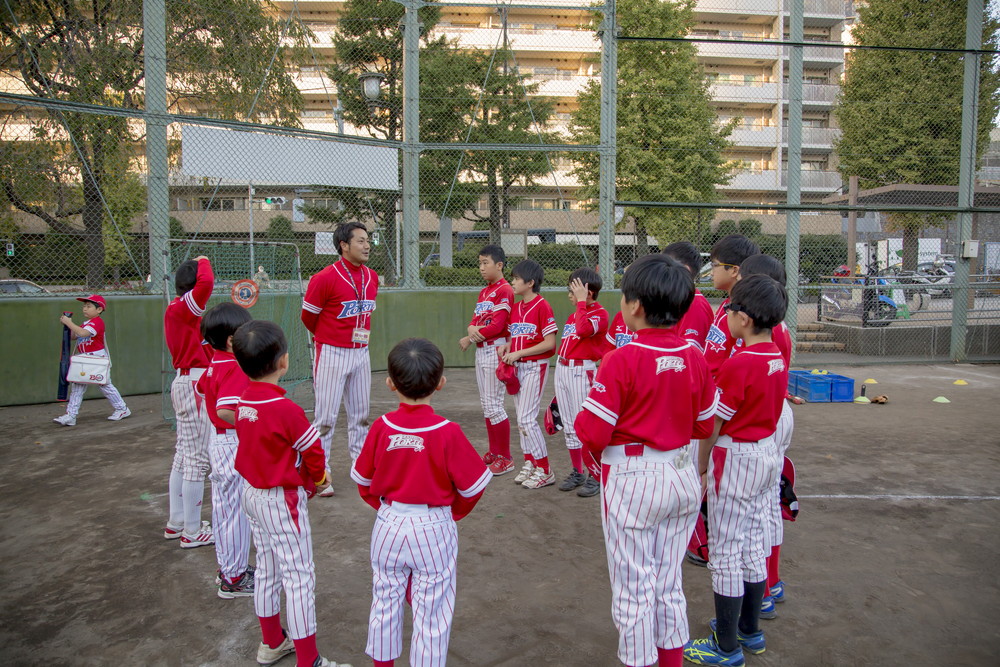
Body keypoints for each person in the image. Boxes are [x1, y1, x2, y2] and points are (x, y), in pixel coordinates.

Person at [575, 254, 718, 667]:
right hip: (680, 471)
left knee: (634, 589)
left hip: (635, 478)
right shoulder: (695, 355)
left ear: (635, 306)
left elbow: (594, 433)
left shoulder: (623, 358)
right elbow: (704, 426)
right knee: (668, 583)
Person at [352, 338, 492, 667]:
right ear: (441, 383)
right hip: (433, 527)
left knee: (385, 601)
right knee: (432, 614)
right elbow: (473, 489)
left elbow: (363, 484)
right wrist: (450, 514)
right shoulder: (448, 431)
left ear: (389, 383)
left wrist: (387, 510)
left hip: (388, 523)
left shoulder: (381, 427)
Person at [233, 320, 352, 667]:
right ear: (283, 361)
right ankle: (308, 659)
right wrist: (318, 480)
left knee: (269, 569)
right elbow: (313, 449)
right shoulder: (285, 409)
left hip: (252, 495)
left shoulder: (243, 400)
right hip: (280, 499)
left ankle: (272, 642)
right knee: (299, 577)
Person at [684, 275, 788, 666]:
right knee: (754, 543)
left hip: (737, 457)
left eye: (729, 310)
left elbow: (714, 425)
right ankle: (749, 630)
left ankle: (726, 647)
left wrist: (700, 466)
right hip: (765, 453)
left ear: (743, 318)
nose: (725, 317)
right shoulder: (774, 353)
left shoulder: (739, 363)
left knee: (726, 551)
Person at [301, 221, 378, 497]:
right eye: (360, 241)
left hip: (361, 352)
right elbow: (308, 317)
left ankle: (361, 469)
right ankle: (319, 473)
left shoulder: (372, 277)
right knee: (325, 417)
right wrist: (328, 336)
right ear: (344, 245)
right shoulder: (324, 277)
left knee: (361, 415)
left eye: (368, 240)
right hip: (332, 351)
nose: (367, 245)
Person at [738, 254, 794, 617]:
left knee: (755, 514)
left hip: (759, 418)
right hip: (772, 409)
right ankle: (770, 583)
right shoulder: (776, 329)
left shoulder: (766, 333)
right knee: (764, 506)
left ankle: (765, 589)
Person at [196, 303, 255, 598]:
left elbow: (201, 389)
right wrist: (254, 424)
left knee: (226, 510)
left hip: (220, 443)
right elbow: (227, 408)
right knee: (234, 513)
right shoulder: (233, 365)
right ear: (232, 340)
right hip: (231, 442)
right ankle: (234, 577)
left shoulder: (217, 361)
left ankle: (231, 569)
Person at [162, 256, 215, 548]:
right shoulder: (182, 307)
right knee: (195, 460)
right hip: (194, 383)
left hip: (188, 381)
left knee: (184, 456)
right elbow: (206, 281)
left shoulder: (181, 311)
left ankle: (177, 522)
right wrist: (203, 260)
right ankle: (192, 531)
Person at [498, 259, 558, 489]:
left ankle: (545, 469)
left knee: (526, 419)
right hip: (518, 366)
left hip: (535, 366)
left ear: (530, 282)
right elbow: (517, 336)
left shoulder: (542, 305)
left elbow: (550, 343)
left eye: (516, 278)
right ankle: (530, 462)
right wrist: (509, 347)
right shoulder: (517, 306)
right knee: (521, 420)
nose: (512, 282)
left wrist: (519, 352)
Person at [458, 244, 515, 475]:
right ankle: (494, 451)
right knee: (486, 405)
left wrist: (471, 335)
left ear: (499, 265)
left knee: (494, 405)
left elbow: (498, 326)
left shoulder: (505, 290)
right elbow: (475, 321)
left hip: (496, 350)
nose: (481, 267)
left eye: (485, 263)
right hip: (483, 349)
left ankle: (506, 457)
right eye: (480, 263)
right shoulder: (485, 292)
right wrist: (473, 330)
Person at [554, 267, 608, 498]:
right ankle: (577, 471)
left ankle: (595, 475)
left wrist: (581, 302)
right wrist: (579, 305)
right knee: (568, 423)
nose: (569, 291)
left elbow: (584, 329)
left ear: (588, 291)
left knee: (584, 425)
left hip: (581, 371)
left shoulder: (599, 313)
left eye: (573, 288)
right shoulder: (574, 313)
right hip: (562, 368)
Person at [53, 294, 130, 426]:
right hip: (85, 359)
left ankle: (122, 409)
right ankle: (71, 415)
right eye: (84, 306)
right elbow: (74, 336)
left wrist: (69, 322)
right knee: (77, 386)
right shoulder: (85, 323)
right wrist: (67, 326)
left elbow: (83, 333)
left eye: (89, 306)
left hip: (96, 358)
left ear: (99, 309)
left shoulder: (97, 322)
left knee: (105, 385)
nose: (85, 309)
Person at [703, 235, 762, 378]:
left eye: (715, 265)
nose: (712, 272)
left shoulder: (744, 311)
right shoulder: (727, 304)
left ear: (734, 271)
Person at [662, 241, 714, 351]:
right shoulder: (675, 298)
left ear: (684, 269)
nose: (659, 271)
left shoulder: (694, 304)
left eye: (665, 266)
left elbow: (690, 356)